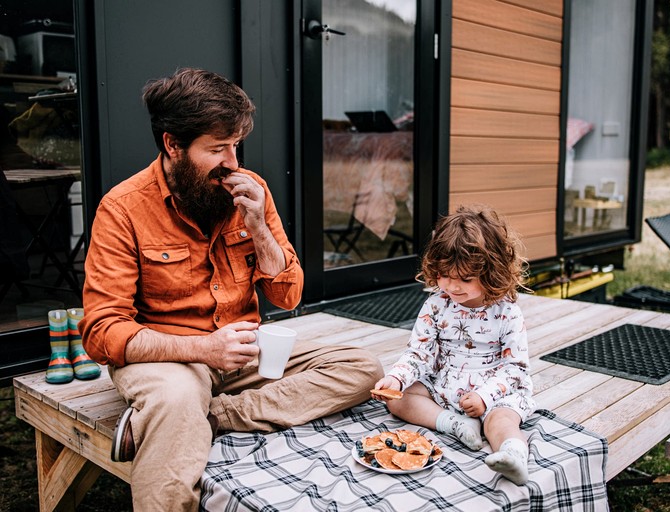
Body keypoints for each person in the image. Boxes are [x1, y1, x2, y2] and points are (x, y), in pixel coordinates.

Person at [79, 68, 383, 510]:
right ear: (172, 145)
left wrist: (259, 226)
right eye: (217, 148)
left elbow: (288, 296)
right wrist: (203, 350)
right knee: (177, 398)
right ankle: (181, 416)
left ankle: (213, 416)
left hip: (242, 351)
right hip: (168, 355)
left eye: (236, 145)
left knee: (362, 368)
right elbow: (102, 332)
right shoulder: (122, 209)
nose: (233, 162)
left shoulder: (251, 190)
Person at [372, 205, 536, 485]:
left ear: (491, 272)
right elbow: (419, 353)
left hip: (494, 394)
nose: (453, 286)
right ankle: (455, 424)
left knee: (501, 422)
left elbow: (515, 369)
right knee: (398, 402)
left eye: (465, 279)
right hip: (446, 385)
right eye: (445, 275)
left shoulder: (506, 312)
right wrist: (397, 378)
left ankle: (513, 456)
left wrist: (484, 397)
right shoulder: (436, 305)